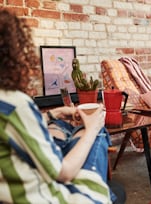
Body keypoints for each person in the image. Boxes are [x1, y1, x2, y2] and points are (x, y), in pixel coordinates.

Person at [0, 9, 113, 203]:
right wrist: (92, 128)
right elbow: (64, 172)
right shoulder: (13, 102)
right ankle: (101, 196)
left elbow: (12, 130)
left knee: (62, 126)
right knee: (97, 133)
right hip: (50, 197)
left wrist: (54, 113)